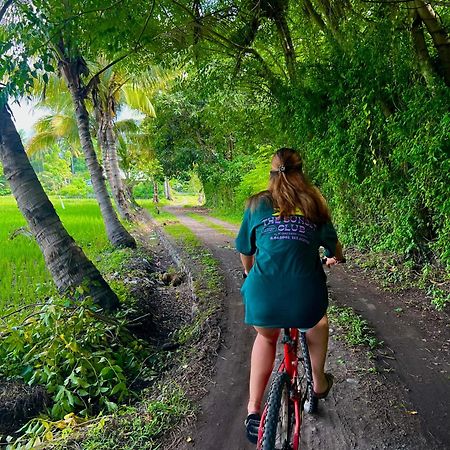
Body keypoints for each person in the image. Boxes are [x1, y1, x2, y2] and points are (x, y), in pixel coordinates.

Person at [235, 148, 345, 444]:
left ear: (271, 174)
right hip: (304, 295)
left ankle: (253, 411)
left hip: (263, 295)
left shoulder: (257, 205)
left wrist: (250, 275)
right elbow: (334, 248)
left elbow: (246, 251)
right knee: (318, 324)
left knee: (266, 337)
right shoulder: (313, 203)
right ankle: (319, 383)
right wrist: (336, 257)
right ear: (301, 171)